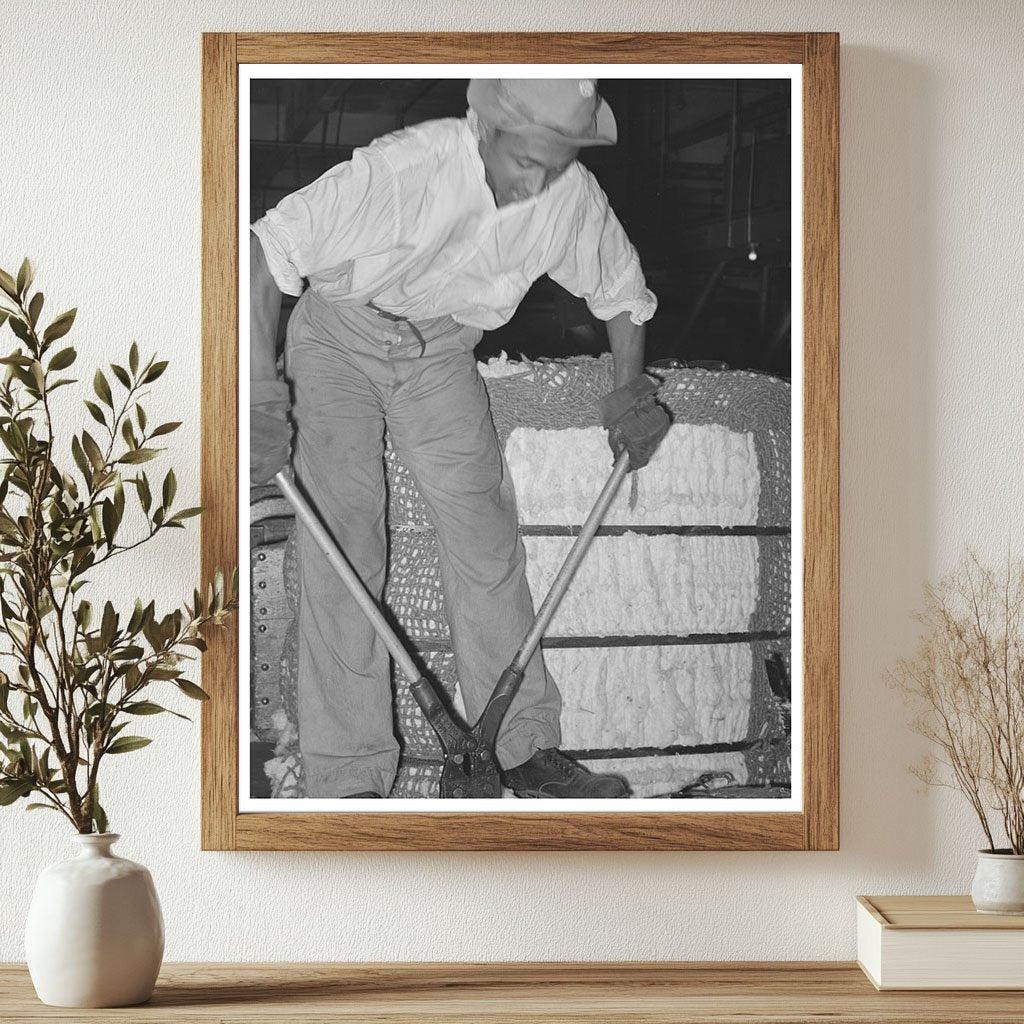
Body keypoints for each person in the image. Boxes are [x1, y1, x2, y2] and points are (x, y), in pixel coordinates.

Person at [250, 78, 669, 800]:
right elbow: (264, 255)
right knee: (345, 538)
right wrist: (259, 391)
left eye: (556, 164)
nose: (536, 184)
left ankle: (522, 745)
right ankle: (348, 773)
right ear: (483, 127)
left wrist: (628, 393)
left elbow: (622, 292)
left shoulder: (567, 195)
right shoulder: (403, 170)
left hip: (440, 348)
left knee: (484, 531)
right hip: (340, 335)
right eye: (524, 161)